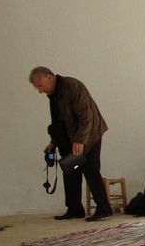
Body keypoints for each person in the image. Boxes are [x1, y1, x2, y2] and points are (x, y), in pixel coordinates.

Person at [30, 67, 114, 222]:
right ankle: (74, 209)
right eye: (37, 88)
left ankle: (104, 209)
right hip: (70, 136)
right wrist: (53, 142)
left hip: (89, 134)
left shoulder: (72, 86)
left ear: (49, 77)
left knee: (90, 169)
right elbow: (58, 122)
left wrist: (80, 140)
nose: (40, 91)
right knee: (69, 170)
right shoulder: (53, 94)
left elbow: (86, 116)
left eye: (41, 86)